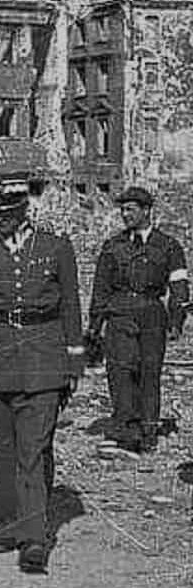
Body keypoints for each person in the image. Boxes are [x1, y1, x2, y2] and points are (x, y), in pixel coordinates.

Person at [0, 171, 84, 574]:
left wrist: (73, 362)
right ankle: (9, 524)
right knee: (3, 451)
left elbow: (71, 306)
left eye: (10, 210)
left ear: (25, 207)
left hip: (44, 360)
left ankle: (33, 538)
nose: (2, 218)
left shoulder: (55, 247)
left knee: (33, 451)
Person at [87, 186, 189, 453]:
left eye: (130, 209)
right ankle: (125, 430)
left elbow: (179, 286)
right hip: (119, 314)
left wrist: (176, 321)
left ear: (146, 211)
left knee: (149, 372)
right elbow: (101, 288)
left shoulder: (169, 246)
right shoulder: (113, 246)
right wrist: (94, 326)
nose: (125, 214)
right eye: (122, 209)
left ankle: (148, 431)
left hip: (152, 315)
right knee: (120, 371)